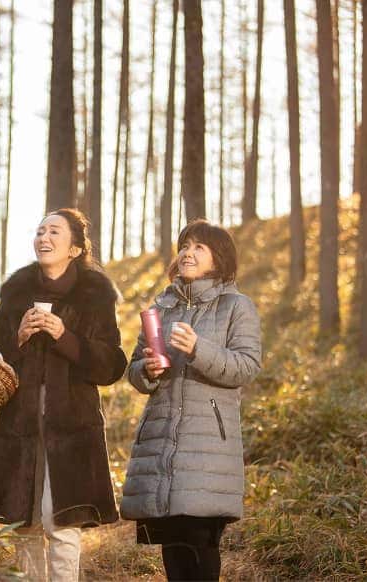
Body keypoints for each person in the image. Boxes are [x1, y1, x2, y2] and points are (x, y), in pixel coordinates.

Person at [0, 208, 127, 582]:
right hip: (19, 425)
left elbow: (112, 364)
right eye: (40, 230)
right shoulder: (16, 295)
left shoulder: (94, 295)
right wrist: (19, 339)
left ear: (75, 248)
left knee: (60, 522)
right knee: (24, 523)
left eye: (54, 232)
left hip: (72, 427)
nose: (43, 238)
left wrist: (65, 337)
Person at [120, 219, 262, 581]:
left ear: (220, 258)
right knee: (174, 547)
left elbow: (246, 366)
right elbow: (135, 369)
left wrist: (199, 349)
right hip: (161, 442)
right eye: (185, 245)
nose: (188, 252)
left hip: (207, 446)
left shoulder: (236, 306)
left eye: (199, 247)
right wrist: (147, 371)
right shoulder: (162, 308)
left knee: (200, 546)